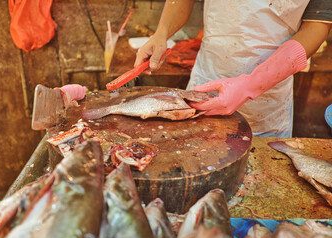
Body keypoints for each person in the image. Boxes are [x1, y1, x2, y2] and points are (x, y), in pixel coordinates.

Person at [134, 0, 332, 137]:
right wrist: (162, 33)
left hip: (267, 101)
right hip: (207, 81)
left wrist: (249, 85)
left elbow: (316, 27)